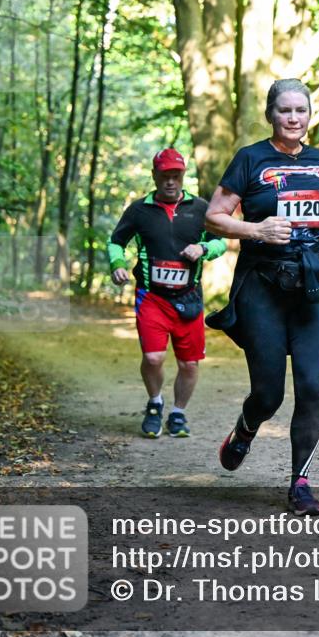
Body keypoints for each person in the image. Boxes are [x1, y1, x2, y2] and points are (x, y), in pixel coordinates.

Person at [205, 78, 319, 516]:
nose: (293, 118)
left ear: (310, 115)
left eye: (301, 111)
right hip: (262, 287)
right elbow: (215, 217)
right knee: (268, 393)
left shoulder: (317, 159)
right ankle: (246, 428)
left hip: (312, 284)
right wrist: (256, 230)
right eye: (285, 111)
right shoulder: (249, 159)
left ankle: (300, 483)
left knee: (311, 388)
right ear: (270, 114)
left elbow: (316, 228)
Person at [107, 148, 226, 438]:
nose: (170, 181)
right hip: (152, 297)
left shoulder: (200, 209)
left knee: (189, 363)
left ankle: (178, 413)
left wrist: (203, 248)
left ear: (183, 175)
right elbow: (115, 242)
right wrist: (118, 264)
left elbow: (220, 242)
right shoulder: (139, 210)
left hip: (188, 299)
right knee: (153, 358)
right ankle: (155, 403)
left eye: (176, 175)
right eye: (165, 176)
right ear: (154, 176)